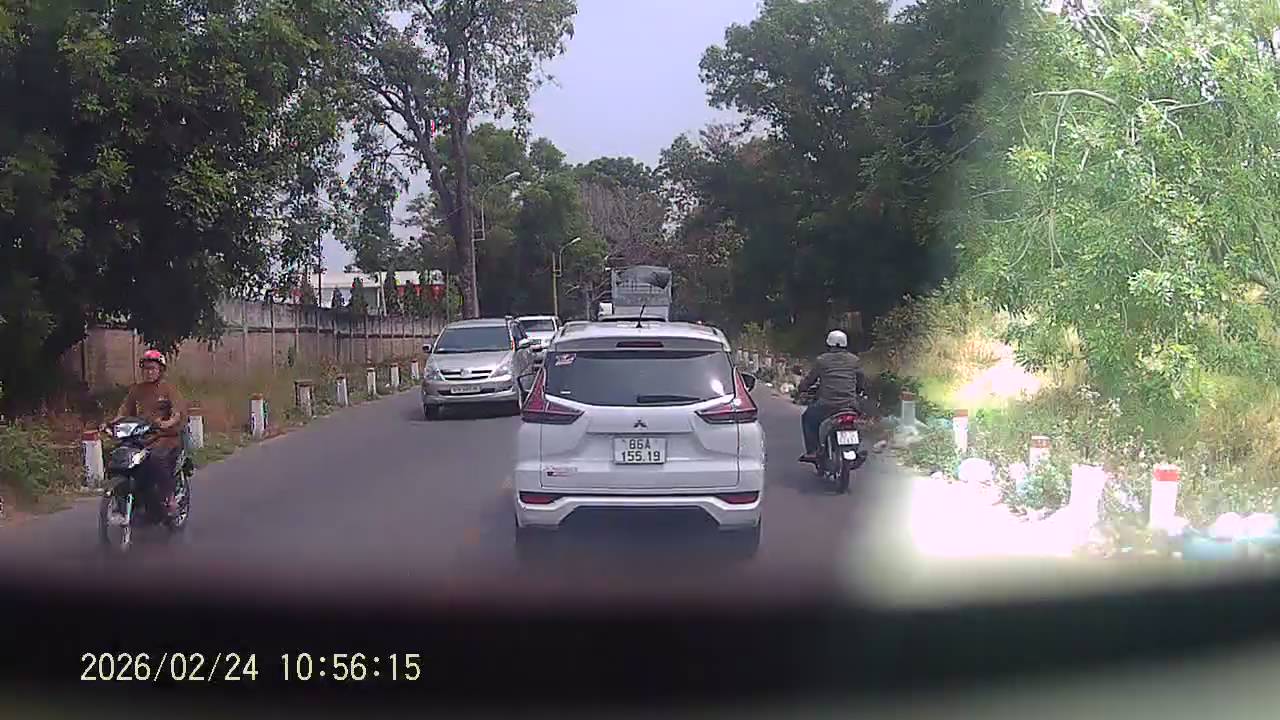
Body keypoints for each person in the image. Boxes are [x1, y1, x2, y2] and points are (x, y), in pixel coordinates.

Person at [108, 349, 187, 517]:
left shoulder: (168, 389)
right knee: (119, 456)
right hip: (142, 436)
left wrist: (166, 423)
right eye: (145, 368)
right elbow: (124, 410)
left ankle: (170, 498)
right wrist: (113, 423)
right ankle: (125, 498)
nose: (149, 372)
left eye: (152, 368)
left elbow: (177, 413)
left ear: (160, 370)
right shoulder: (136, 390)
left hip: (165, 437)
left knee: (156, 458)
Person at [796, 330, 865, 463]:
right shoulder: (854, 360)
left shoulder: (822, 360)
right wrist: (859, 390)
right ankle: (855, 449)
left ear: (829, 344)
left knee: (808, 418)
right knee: (856, 423)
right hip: (850, 404)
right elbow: (861, 379)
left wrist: (801, 389)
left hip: (827, 404)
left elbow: (810, 380)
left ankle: (813, 451)